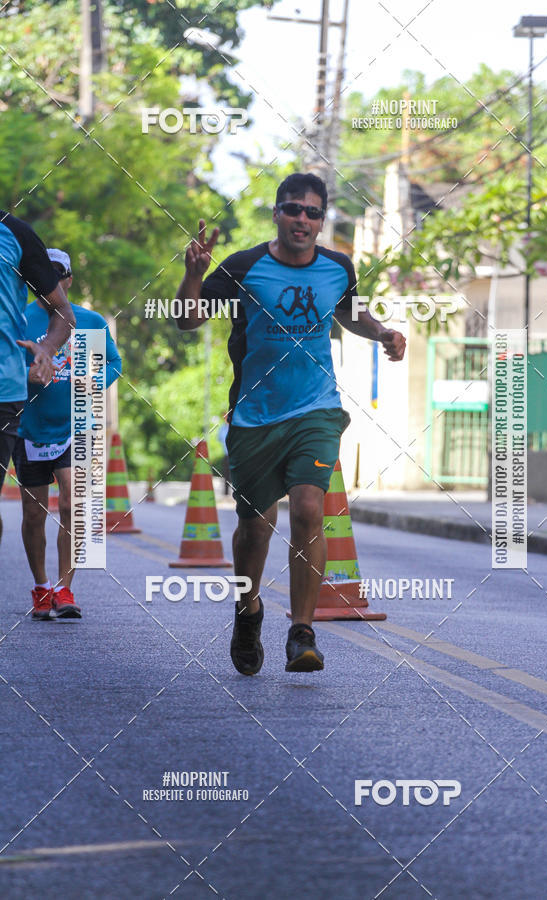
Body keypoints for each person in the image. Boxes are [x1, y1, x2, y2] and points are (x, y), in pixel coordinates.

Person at [175, 172, 405, 674]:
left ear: (322, 221)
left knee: (307, 509)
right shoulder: (244, 267)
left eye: (313, 212)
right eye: (293, 209)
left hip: (316, 410)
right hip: (255, 417)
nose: (303, 219)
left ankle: (302, 631)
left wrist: (383, 333)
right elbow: (188, 318)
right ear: (276, 213)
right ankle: (248, 609)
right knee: (255, 529)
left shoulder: (337, 268)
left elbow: (349, 313)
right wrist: (194, 272)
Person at [13, 248, 121, 619]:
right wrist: (24, 377)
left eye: (60, 275)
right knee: (33, 513)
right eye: (45, 275)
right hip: (30, 427)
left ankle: (65, 589)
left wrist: (92, 384)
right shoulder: (18, 319)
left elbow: (114, 363)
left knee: (74, 506)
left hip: (77, 425)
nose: (53, 283)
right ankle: (42, 587)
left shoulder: (89, 322)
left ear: (70, 280)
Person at [0, 211, 74, 545]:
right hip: (31, 420)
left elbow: (63, 314)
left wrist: (45, 351)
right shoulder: (28, 314)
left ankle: (58, 586)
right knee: (35, 511)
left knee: (71, 504)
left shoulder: (15, 233)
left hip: (6, 393)